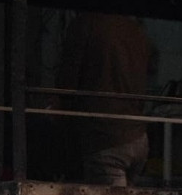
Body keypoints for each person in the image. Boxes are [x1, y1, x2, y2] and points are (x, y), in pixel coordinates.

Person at [57, 12, 151, 186]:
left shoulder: (86, 24)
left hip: (105, 136)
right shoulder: (136, 31)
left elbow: (67, 80)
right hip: (137, 134)